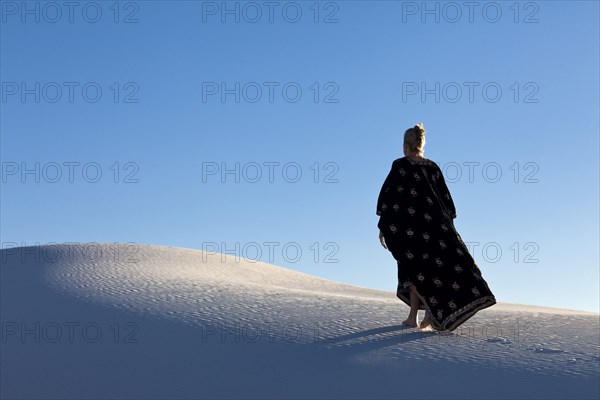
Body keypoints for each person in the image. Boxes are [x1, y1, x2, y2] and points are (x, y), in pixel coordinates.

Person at [376, 123, 496, 331]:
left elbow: (389, 196)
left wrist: (385, 226)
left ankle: (426, 312)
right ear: (421, 145)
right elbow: (446, 201)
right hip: (434, 228)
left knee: (412, 268)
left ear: (406, 146)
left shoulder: (400, 165)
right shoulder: (432, 168)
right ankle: (414, 316)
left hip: (409, 228)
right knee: (423, 270)